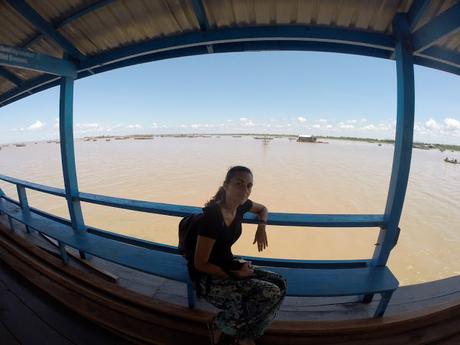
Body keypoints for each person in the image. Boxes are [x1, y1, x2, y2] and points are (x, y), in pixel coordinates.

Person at [190, 166, 287, 345]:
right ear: (226, 185)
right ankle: (229, 328)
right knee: (270, 292)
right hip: (209, 278)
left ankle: (236, 328)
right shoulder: (212, 218)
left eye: (249, 186)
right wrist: (236, 274)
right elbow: (200, 264)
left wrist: (262, 226)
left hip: (229, 264)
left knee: (281, 282)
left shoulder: (241, 206)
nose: (245, 191)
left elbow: (263, 208)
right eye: (239, 184)